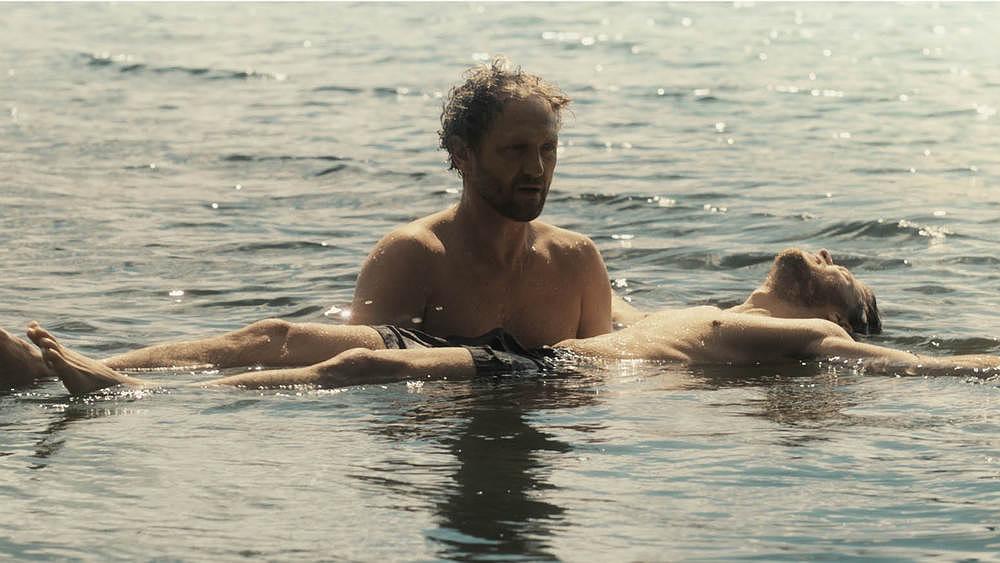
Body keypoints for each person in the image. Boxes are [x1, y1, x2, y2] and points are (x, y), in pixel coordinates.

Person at [0, 56, 625, 390]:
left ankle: (109, 384)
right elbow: (351, 373)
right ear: (462, 155)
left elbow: (602, 376)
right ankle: (61, 369)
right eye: (515, 151)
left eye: (547, 149)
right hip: (437, 417)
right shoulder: (416, 254)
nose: (536, 169)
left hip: (518, 408)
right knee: (269, 335)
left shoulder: (575, 260)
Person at [26, 248, 1000, 396]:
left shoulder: (810, 335)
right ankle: (71, 363)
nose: (824, 255)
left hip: (557, 382)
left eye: (842, 271)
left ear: (836, 306)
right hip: (534, 358)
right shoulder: (700, 307)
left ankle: (125, 391)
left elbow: (909, 366)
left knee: (364, 365)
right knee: (277, 333)